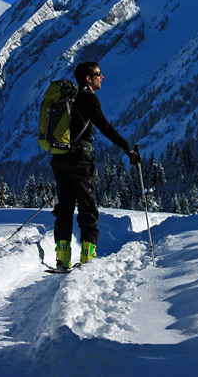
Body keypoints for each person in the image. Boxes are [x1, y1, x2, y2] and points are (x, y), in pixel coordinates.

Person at [50, 61, 140, 270]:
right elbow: (104, 125)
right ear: (88, 78)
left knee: (64, 208)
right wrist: (126, 147)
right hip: (80, 159)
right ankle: (87, 257)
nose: (102, 77)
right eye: (99, 74)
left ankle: (62, 258)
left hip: (59, 157)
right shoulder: (88, 98)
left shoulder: (67, 98)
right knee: (87, 208)